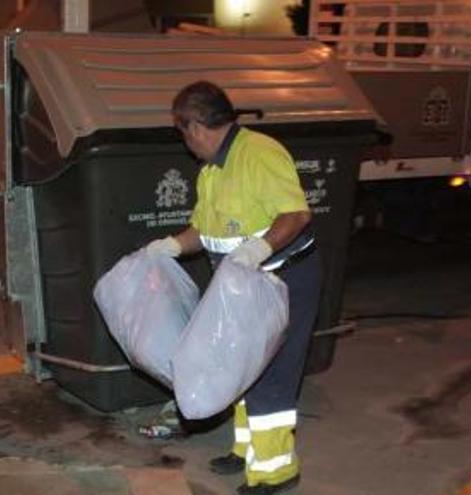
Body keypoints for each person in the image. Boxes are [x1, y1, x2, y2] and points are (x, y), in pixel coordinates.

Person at [146, 81, 322, 495]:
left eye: (182, 132)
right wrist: (169, 246)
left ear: (194, 127)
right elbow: (204, 231)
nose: (185, 143)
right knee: (241, 368)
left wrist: (257, 249)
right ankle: (247, 451)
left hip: (283, 280)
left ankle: (276, 472)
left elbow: (295, 214)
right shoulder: (213, 171)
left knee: (272, 376)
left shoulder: (259, 152)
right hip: (243, 286)